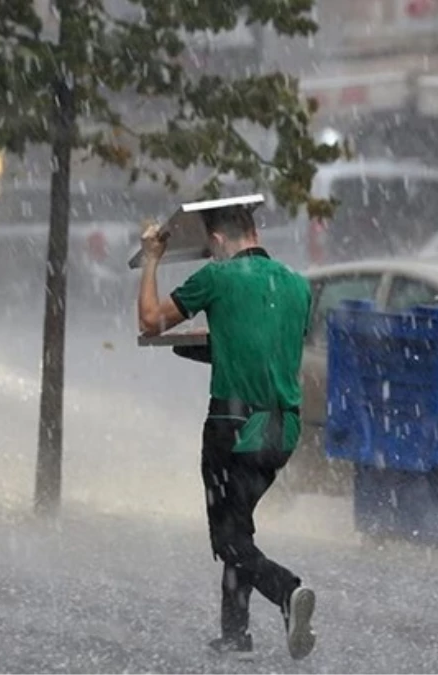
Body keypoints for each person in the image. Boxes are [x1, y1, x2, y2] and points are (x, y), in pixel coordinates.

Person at [137, 202, 317, 660]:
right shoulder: (297, 286)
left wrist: (153, 258)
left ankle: (286, 591)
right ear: (254, 230)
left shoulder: (216, 278)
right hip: (283, 431)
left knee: (228, 539)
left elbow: (150, 320)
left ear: (217, 240)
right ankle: (235, 634)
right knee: (239, 526)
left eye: (210, 248)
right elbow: (266, 347)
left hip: (233, 427)